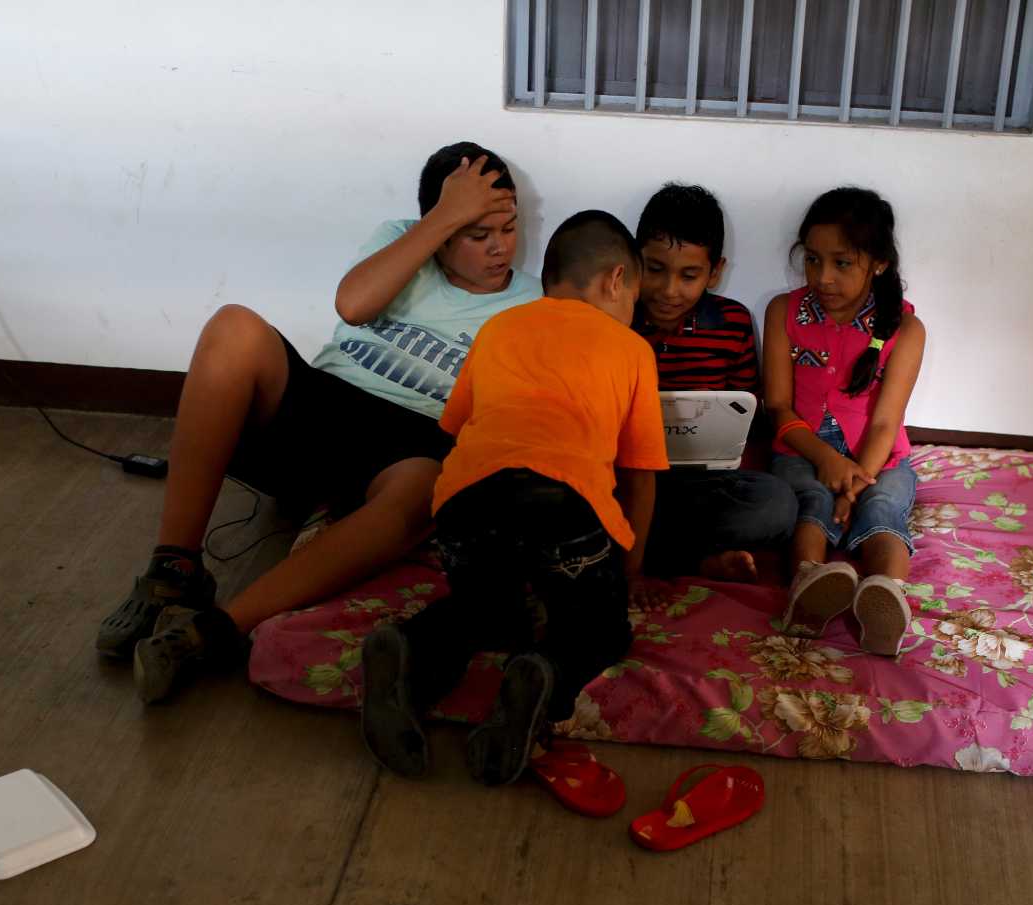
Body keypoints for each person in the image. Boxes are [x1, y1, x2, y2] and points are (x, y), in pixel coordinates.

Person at [95, 142, 541, 704]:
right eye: (478, 235)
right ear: (438, 225)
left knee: (429, 488)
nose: (500, 248)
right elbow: (353, 305)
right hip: (327, 405)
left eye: (509, 228)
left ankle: (218, 628)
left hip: (413, 440)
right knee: (234, 327)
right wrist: (444, 218)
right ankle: (175, 565)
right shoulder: (400, 240)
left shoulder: (532, 304)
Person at [357, 210, 667, 786]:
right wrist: (632, 567)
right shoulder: (630, 349)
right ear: (616, 280)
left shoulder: (499, 328)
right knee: (599, 628)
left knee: (486, 613)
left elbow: (454, 430)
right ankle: (544, 672)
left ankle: (408, 647)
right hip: (562, 502)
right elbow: (640, 475)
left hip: (465, 502)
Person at [763, 187, 926, 656]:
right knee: (810, 499)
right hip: (802, 448)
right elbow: (778, 407)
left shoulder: (906, 329)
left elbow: (885, 424)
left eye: (841, 263)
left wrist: (856, 485)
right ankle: (810, 588)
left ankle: (886, 597)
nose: (823, 277)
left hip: (880, 457)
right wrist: (827, 461)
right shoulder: (784, 312)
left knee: (882, 509)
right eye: (812, 260)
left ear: (878, 263)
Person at [632, 183, 797, 582]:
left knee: (778, 504)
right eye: (655, 269)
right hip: (628, 475)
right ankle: (692, 560)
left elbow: (748, 410)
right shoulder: (617, 317)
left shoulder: (732, 323)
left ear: (715, 271)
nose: (670, 290)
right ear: (634, 260)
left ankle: (653, 552)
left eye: (689, 275)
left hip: (699, 482)